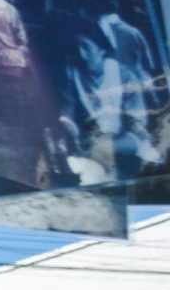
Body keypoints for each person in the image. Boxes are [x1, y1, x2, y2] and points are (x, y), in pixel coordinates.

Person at [59, 27, 163, 180]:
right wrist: (66, 124)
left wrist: (105, 147)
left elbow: (138, 132)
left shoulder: (125, 77)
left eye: (86, 47)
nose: (81, 54)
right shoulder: (75, 75)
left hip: (129, 150)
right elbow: (68, 110)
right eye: (77, 48)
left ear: (101, 49)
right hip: (95, 151)